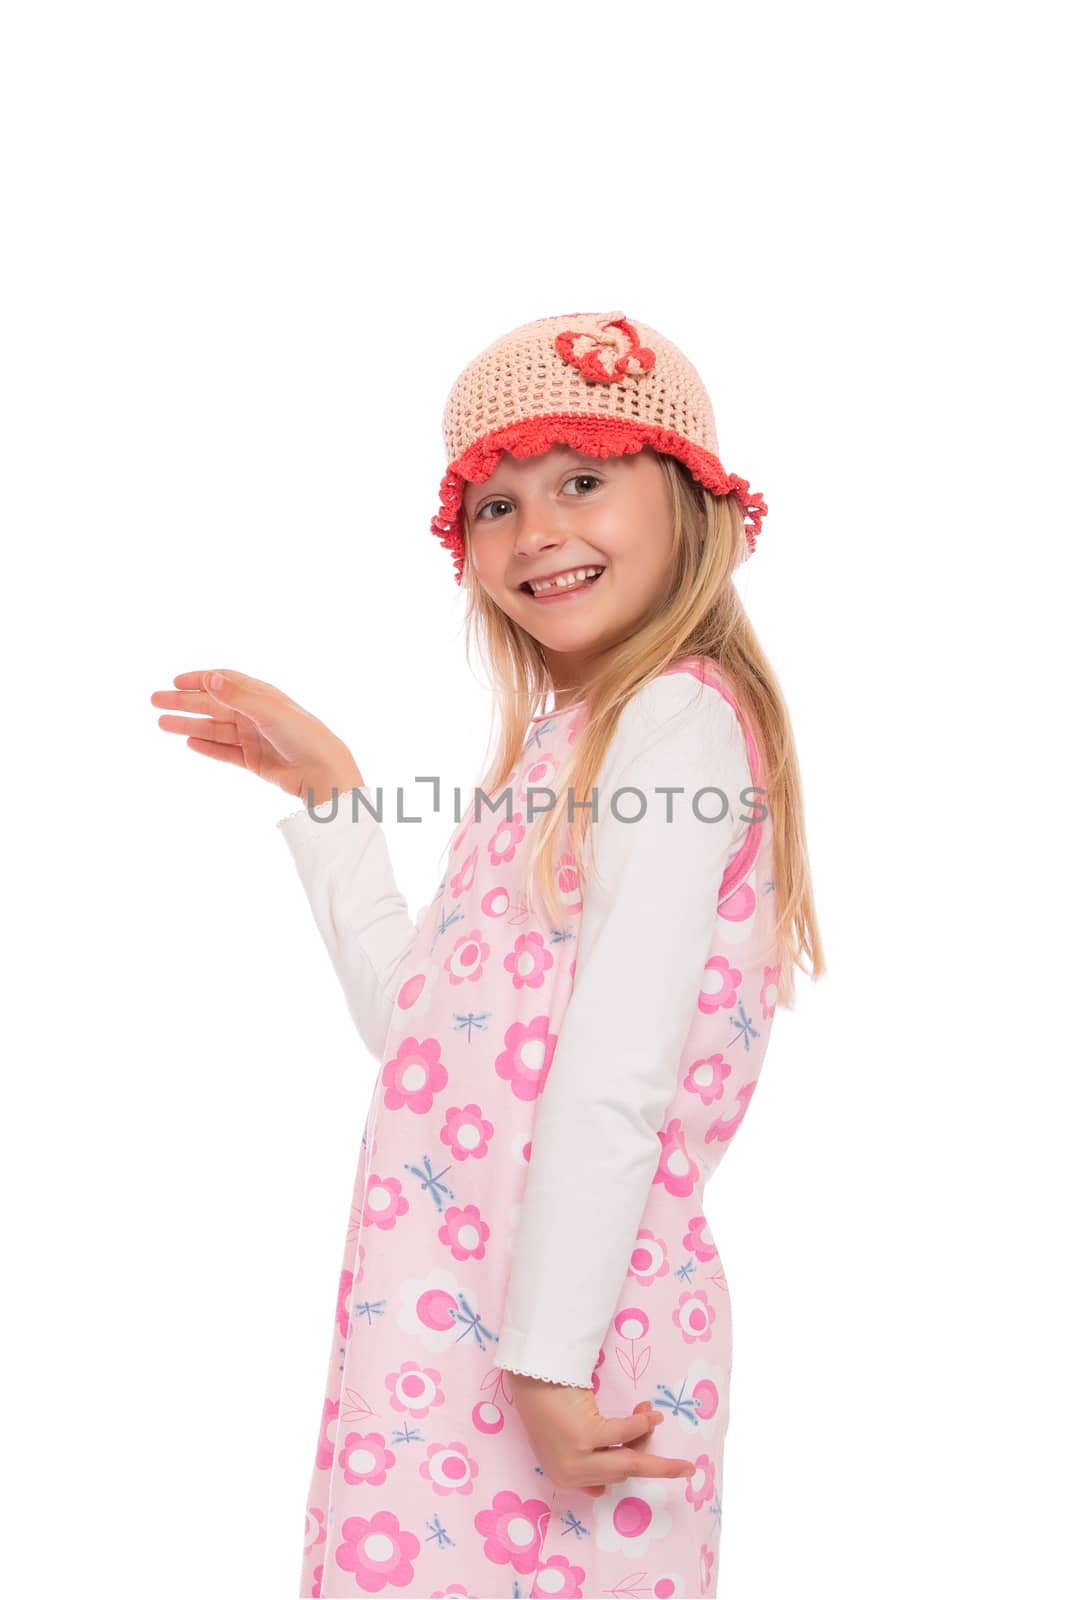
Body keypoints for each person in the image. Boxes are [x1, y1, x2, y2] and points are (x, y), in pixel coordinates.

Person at [150, 309, 825, 1598]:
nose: (539, 532)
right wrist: (339, 796)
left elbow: (618, 1073)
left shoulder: (675, 725)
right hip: (461, 1325)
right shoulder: (569, 745)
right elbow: (428, 1036)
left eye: (582, 481)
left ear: (695, 505)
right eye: (498, 505)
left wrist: (551, 1360)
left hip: (562, 1339)